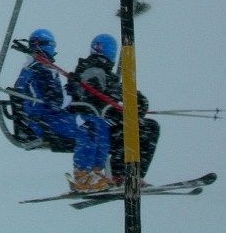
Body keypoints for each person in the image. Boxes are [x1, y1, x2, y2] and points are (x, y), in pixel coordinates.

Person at [13, 28, 112, 192]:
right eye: (51, 46)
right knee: (89, 126)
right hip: (46, 120)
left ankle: (95, 173)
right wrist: (72, 89)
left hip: (50, 117)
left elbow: (53, 98)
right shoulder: (40, 70)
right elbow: (56, 102)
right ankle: (82, 175)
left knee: (101, 124)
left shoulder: (38, 68)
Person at [67, 33, 161, 185]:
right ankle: (124, 175)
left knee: (136, 128)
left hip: (97, 120)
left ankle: (122, 175)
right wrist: (125, 102)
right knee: (146, 128)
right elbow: (94, 97)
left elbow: (105, 96)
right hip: (94, 123)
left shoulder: (90, 69)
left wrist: (126, 104)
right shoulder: (96, 71)